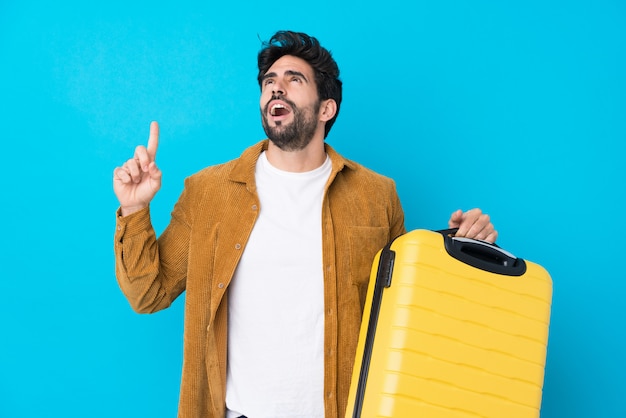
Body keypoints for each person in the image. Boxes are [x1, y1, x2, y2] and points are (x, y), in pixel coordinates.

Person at [113, 31, 497, 418]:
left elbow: (405, 315)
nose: (276, 88)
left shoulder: (376, 196)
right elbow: (148, 294)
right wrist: (134, 210)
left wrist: (465, 249)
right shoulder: (209, 193)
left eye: (294, 79)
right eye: (269, 82)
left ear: (326, 108)